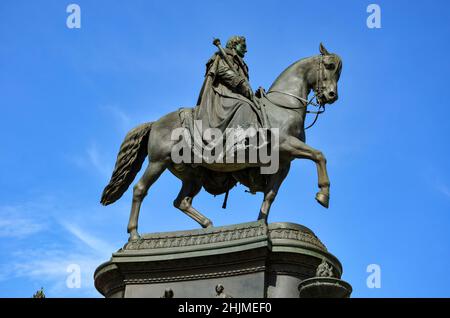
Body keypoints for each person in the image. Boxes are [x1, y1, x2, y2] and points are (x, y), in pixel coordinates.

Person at [194, 35, 263, 134]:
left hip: (236, 94)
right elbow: (222, 70)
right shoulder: (224, 55)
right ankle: (239, 139)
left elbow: (245, 86)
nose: (246, 50)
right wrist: (239, 82)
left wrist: (253, 95)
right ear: (234, 45)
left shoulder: (243, 64)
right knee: (244, 106)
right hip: (223, 93)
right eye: (243, 46)